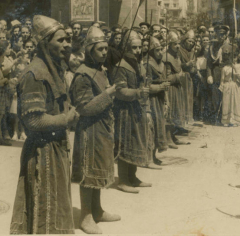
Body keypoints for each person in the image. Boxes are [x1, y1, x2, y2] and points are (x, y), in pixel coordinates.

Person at [10, 15, 78, 234]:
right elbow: (33, 119)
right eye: (60, 40)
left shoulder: (55, 68)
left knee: (56, 208)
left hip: (55, 148)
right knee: (44, 212)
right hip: (42, 153)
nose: (67, 44)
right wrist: (65, 119)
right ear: (45, 43)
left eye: (68, 40)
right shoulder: (35, 74)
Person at [69, 27, 120, 234]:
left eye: (106, 48)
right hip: (89, 130)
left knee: (99, 168)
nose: (104, 52)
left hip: (102, 127)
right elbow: (84, 108)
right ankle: (86, 215)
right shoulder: (82, 74)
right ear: (90, 50)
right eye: (100, 49)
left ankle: (97, 210)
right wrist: (108, 94)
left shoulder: (100, 69)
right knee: (89, 172)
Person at [113, 30, 152, 194]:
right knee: (125, 143)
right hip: (124, 111)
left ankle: (133, 177)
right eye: (134, 48)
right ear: (126, 48)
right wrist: (137, 93)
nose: (137, 51)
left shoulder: (138, 65)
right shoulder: (121, 66)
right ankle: (123, 179)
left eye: (139, 47)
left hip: (136, 108)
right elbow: (119, 91)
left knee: (136, 141)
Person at [145, 37, 170, 163]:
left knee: (159, 126)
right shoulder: (147, 64)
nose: (160, 52)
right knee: (152, 127)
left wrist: (166, 100)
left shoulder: (162, 64)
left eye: (161, 49)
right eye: (157, 50)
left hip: (160, 99)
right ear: (151, 52)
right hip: (151, 100)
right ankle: (149, 157)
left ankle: (154, 156)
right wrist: (160, 87)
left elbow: (165, 81)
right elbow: (146, 86)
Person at [163, 31, 187, 148]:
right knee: (170, 114)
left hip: (176, 88)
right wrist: (179, 76)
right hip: (170, 89)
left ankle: (172, 136)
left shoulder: (176, 55)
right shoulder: (167, 57)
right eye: (174, 44)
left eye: (178, 44)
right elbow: (166, 77)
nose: (177, 46)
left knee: (176, 113)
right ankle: (168, 138)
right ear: (169, 44)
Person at [219, 46, 240, 126]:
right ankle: (226, 120)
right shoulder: (225, 68)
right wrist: (222, 86)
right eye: (231, 57)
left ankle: (236, 120)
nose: (233, 59)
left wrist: (235, 70)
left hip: (236, 85)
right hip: (227, 86)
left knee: (236, 102)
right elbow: (222, 79)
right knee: (227, 102)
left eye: (235, 57)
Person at [178, 30, 197, 125]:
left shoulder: (192, 52)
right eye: (189, 41)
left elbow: (195, 64)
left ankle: (188, 118)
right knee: (183, 97)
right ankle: (182, 119)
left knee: (189, 97)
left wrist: (194, 67)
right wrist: (186, 64)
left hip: (189, 77)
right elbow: (177, 65)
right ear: (185, 40)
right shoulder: (179, 50)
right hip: (182, 77)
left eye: (193, 42)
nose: (191, 43)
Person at [195, 32, 210, 121]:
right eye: (204, 40)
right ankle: (201, 113)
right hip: (201, 76)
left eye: (207, 40)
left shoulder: (210, 57)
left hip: (209, 76)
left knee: (209, 95)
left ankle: (208, 113)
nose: (205, 41)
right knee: (202, 96)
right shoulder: (199, 58)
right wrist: (201, 77)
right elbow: (197, 69)